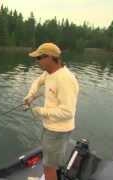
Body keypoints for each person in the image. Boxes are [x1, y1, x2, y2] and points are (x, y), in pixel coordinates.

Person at [24, 42, 79, 180]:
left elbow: (68, 112)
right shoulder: (49, 73)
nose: (37, 62)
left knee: (49, 167)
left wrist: (41, 111)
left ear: (49, 57)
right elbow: (37, 82)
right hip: (50, 127)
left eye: (39, 58)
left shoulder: (65, 79)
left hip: (58, 130)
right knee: (50, 162)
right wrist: (31, 95)